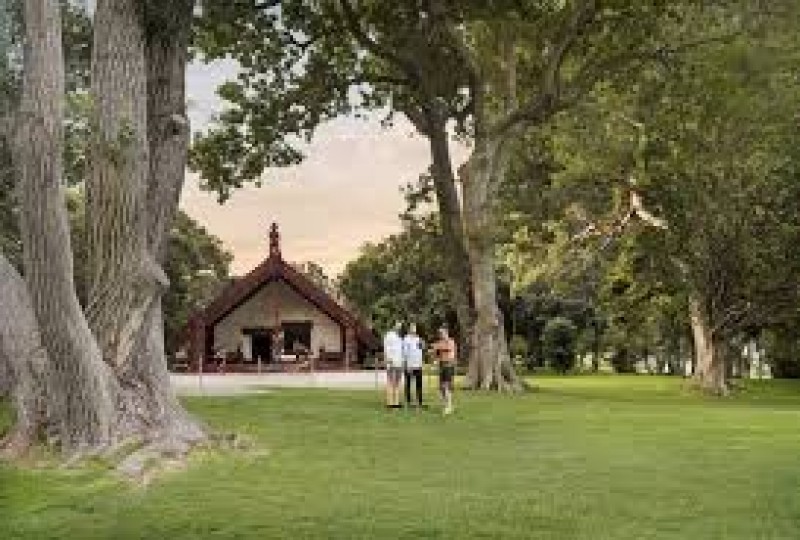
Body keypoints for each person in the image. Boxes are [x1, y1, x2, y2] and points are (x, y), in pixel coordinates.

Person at [430, 327, 457, 415]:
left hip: (449, 366)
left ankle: (449, 406)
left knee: (446, 386)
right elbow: (436, 353)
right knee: (441, 387)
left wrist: (436, 347)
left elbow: (448, 350)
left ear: (446, 333)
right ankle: (446, 405)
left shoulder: (451, 341)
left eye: (443, 333)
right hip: (442, 366)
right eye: (440, 334)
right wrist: (435, 359)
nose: (441, 335)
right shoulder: (440, 342)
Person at [402, 323, 424, 408]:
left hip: (418, 365)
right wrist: (407, 365)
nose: (414, 330)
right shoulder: (406, 339)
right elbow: (405, 353)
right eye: (412, 328)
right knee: (408, 384)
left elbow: (421, 350)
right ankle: (408, 402)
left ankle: (419, 402)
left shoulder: (418, 339)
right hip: (410, 365)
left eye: (415, 328)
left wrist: (422, 345)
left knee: (419, 384)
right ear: (409, 329)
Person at [383, 321, 404, 408]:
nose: (399, 327)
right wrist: (388, 359)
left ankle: (396, 402)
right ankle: (390, 402)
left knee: (397, 382)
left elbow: (401, 350)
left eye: (400, 326)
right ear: (394, 325)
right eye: (397, 325)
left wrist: (402, 361)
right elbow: (386, 348)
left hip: (399, 362)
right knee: (391, 382)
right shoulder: (389, 335)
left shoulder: (399, 337)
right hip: (391, 362)